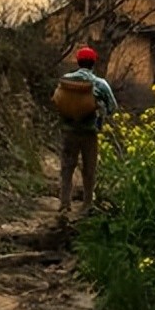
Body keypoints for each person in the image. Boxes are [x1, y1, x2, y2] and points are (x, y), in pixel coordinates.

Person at [58, 46, 117, 215]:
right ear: (93, 63)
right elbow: (113, 107)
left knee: (67, 167)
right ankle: (87, 204)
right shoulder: (99, 83)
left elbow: (58, 100)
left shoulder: (66, 80)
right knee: (89, 168)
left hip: (68, 131)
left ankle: (64, 204)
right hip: (89, 132)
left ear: (78, 62)